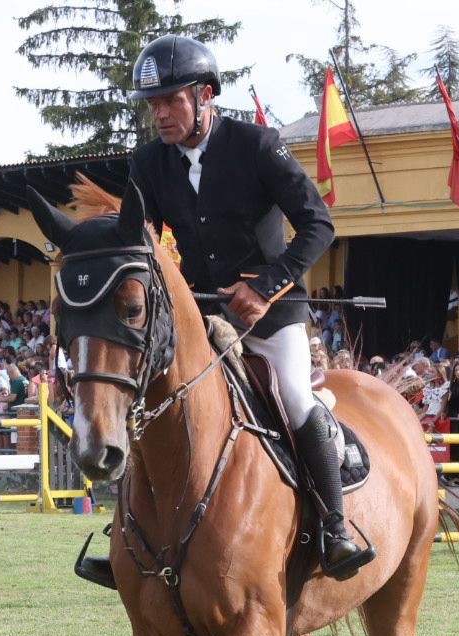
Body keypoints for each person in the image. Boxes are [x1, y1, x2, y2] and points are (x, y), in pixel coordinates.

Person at [106, 32, 366, 583]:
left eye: (171, 100)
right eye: (153, 104)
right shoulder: (149, 162)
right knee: (145, 404)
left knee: (295, 399)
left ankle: (335, 529)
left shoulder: (257, 144)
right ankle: (127, 537)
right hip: (200, 318)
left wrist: (267, 283)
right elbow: (139, 236)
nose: (160, 114)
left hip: (271, 316)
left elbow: (318, 224)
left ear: (205, 95)